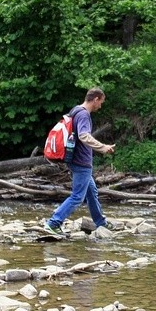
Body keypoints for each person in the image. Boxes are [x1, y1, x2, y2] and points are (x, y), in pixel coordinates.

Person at [44, 87, 116, 235]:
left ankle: (101, 223)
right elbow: (84, 136)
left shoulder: (76, 110)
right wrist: (103, 147)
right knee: (77, 197)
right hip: (81, 161)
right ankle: (53, 223)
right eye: (100, 102)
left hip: (75, 159)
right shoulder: (83, 114)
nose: (100, 106)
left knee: (91, 192)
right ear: (95, 99)